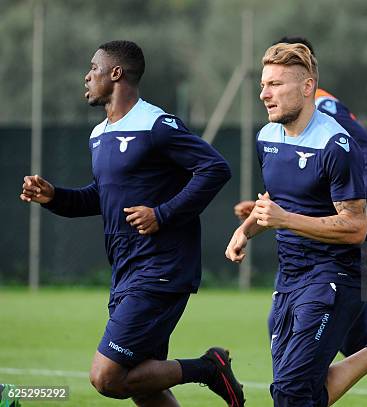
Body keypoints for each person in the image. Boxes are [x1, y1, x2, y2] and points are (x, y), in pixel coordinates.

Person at [20, 40, 245, 407]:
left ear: (116, 73)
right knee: (142, 384)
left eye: (94, 68)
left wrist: (162, 214)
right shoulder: (99, 134)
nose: (87, 75)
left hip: (161, 267)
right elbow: (101, 197)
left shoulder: (155, 124)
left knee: (106, 377)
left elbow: (215, 168)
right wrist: (54, 197)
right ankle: (207, 368)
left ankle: (209, 368)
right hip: (126, 269)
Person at [226, 42, 367, 407]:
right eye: (263, 84)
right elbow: (276, 204)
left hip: (334, 277)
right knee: (294, 395)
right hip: (289, 277)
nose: (264, 94)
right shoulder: (267, 138)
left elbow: (355, 227)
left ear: (308, 87)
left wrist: (285, 219)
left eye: (276, 84)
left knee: (292, 393)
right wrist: (245, 230)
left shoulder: (336, 144)